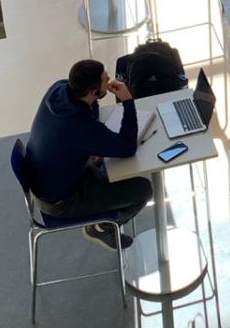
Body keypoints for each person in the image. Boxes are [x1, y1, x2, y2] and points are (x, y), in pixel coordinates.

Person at [24, 59, 153, 251]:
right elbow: (127, 147)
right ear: (93, 92)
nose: (110, 79)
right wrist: (127, 101)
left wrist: (90, 148)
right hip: (62, 201)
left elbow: (88, 116)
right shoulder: (80, 128)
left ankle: (101, 217)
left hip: (48, 179)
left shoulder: (58, 89)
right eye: (105, 79)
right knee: (143, 189)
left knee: (108, 162)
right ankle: (100, 228)